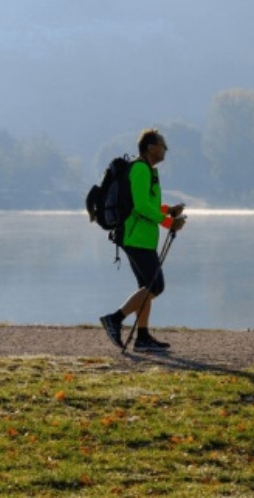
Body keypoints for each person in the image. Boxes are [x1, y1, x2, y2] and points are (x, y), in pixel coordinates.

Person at [100, 128, 186, 353]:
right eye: (162, 144)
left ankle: (143, 338)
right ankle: (115, 319)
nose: (165, 149)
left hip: (143, 238)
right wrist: (168, 223)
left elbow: (148, 204)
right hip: (135, 237)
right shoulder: (140, 169)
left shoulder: (149, 170)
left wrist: (168, 210)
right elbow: (140, 206)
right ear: (151, 147)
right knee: (155, 286)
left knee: (145, 287)